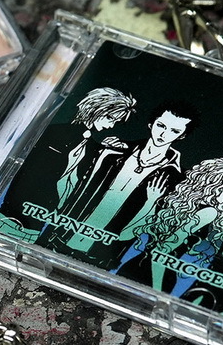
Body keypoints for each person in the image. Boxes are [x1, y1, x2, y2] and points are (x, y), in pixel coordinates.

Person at [0, 86, 137, 243]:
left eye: (115, 122)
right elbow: (26, 172)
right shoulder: (54, 133)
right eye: (110, 118)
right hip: (12, 217)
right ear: (96, 109)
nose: (111, 126)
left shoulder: (91, 146)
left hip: (39, 224)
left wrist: (104, 149)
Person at [60, 100, 198, 261]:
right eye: (161, 126)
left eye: (174, 131)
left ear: (182, 135)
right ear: (151, 124)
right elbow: (77, 184)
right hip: (63, 234)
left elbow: (151, 223)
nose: (163, 134)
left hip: (104, 254)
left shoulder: (176, 178)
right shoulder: (115, 151)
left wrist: (152, 200)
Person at [112, 156, 223, 298]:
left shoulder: (181, 208)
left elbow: (129, 237)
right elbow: (162, 251)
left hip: (140, 268)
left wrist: (151, 202)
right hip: (157, 275)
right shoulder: (209, 212)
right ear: (212, 184)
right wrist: (158, 290)